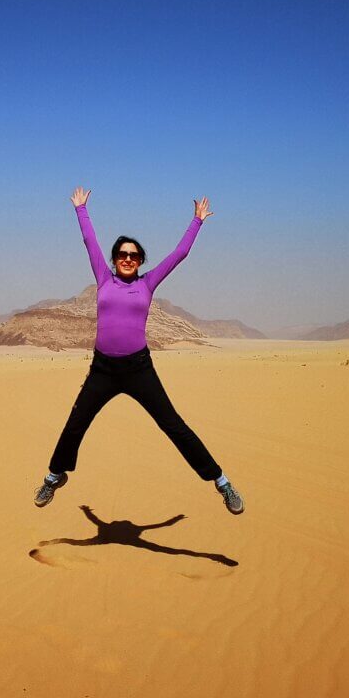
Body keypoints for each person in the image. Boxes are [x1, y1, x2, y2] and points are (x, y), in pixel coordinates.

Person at [33, 187, 244, 515]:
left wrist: (197, 222)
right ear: (115, 259)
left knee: (172, 424)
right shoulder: (104, 279)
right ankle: (53, 476)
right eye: (122, 254)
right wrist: (81, 210)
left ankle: (222, 482)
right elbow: (90, 243)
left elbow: (179, 255)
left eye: (133, 255)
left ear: (140, 260)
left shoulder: (147, 283)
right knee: (76, 423)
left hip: (138, 369)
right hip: (103, 370)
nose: (127, 259)